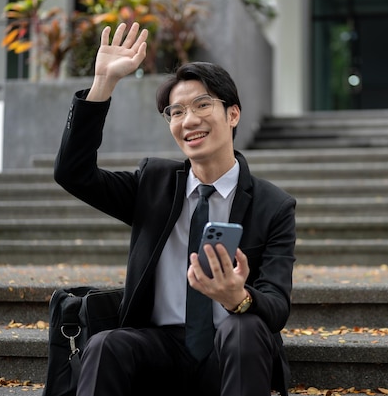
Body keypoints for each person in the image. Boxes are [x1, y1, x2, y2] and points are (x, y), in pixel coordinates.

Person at [53, 22, 297, 396]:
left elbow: (277, 306)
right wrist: (102, 84)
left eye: (202, 105)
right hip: (158, 348)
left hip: (229, 352)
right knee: (106, 344)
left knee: (243, 327)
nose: (189, 121)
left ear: (233, 114)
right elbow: (73, 173)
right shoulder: (154, 185)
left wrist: (238, 297)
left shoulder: (273, 205)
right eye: (176, 111)